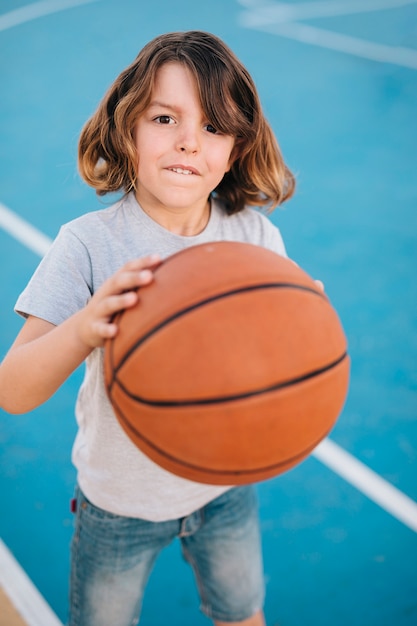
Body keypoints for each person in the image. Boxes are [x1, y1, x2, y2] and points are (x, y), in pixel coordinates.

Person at [0, 31, 295, 626]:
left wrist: (298, 333)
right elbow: (12, 391)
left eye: (215, 127)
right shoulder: (88, 245)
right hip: (119, 503)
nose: (190, 140)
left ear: (235, 150)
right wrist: (86, 326)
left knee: (244, 614)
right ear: (127, 129)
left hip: (225, 487)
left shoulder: (254, 239)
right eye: (166, 118)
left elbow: (276, 364)